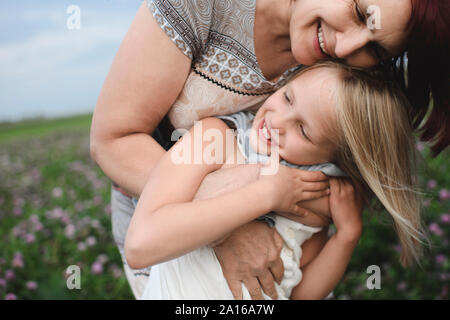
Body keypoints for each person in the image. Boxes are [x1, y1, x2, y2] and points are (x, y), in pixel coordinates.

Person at [90, 0, 449, 299]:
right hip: (157, 214)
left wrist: (343, 233)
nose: (345, 49)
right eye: (359, 12)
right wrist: (242, 215)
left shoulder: (339, 86)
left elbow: (298, 286)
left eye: (375, 48)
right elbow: (114, 142)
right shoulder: (204, 12)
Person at [124, 62, 427, 299]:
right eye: (287, 97)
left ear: (335, 158)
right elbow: (141, 246)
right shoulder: (214, 139)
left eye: (304, 130)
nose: (277, 121)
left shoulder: (313, 198)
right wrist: (266, 192)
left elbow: (299, 293)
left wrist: (347, 235)